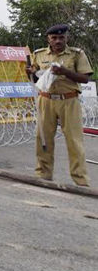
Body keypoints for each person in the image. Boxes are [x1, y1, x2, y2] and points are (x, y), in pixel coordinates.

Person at [26, 24, 92, 186]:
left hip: (68, 100)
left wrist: (65, 72)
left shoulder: (76, 54)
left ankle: (80, 180)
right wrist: (30, 72)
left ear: (66, 38)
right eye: (54, 38)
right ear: (48, 39)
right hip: (45, 100)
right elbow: (36, 80)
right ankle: (43, 175)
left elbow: (85, 79)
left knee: (74, 141)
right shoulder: (39, 55)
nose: (58, 41)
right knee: (43, 138)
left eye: (61, 38)